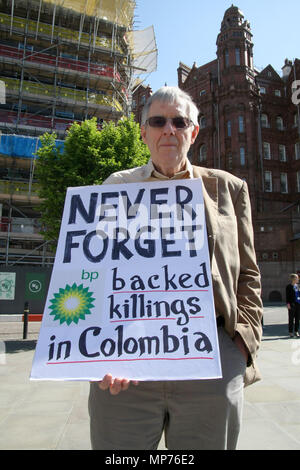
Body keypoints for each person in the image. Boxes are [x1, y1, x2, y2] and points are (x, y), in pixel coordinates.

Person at [89, 86, 263, 450]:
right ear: (144, 131)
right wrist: (102, 353)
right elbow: (95, 274)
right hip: (127, 362)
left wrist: (242, 345)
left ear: (193, 131)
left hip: (212, 357)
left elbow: (248, 271)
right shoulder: (115, 187)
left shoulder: (229, 188)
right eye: (157, 121)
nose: (169, 129)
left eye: (179, 121)